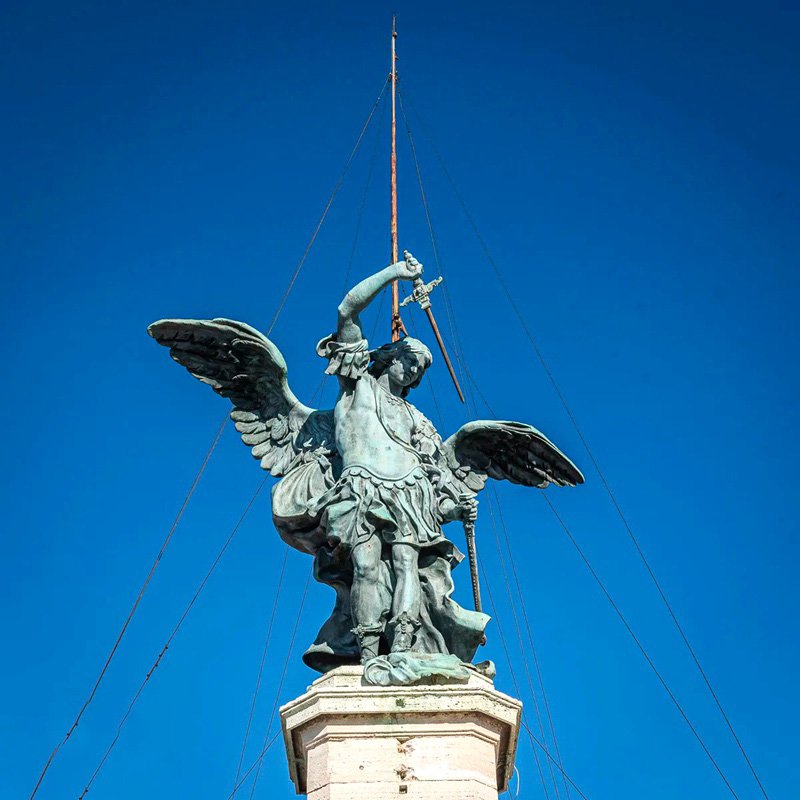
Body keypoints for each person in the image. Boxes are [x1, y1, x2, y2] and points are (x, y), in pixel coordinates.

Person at [311, 252, 477, 661]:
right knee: (365, 568)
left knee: (407, 564)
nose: (415, 372)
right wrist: (396, 274)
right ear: (391, 357)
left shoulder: (416, 420)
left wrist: (457, 508)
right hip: (361, 488)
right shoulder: (356, 386)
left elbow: (438, 486)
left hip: (409, 493)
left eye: (420, 369)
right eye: (411, 361)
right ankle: (369, 654)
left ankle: (403, 645)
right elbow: (346, 310)